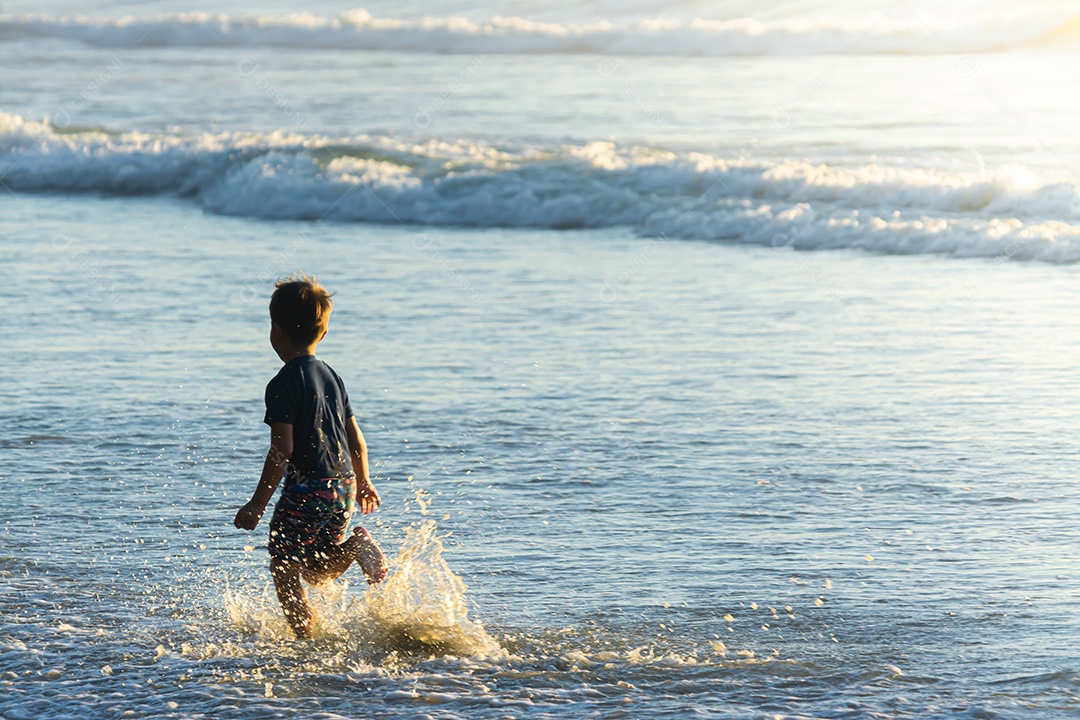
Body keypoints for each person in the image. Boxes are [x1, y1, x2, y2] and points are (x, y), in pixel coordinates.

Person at [234, 272, 388, 639]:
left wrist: (257, 504)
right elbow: (356, 439)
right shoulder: (332, 376)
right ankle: (357, 546)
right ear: (323, 332)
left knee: (284, 564)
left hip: (306, 488)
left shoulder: (282, 383)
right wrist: (363, 481)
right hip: (343, 486)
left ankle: (305, 636)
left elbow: (282, 449)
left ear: (276, 330)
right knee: (317, 569)